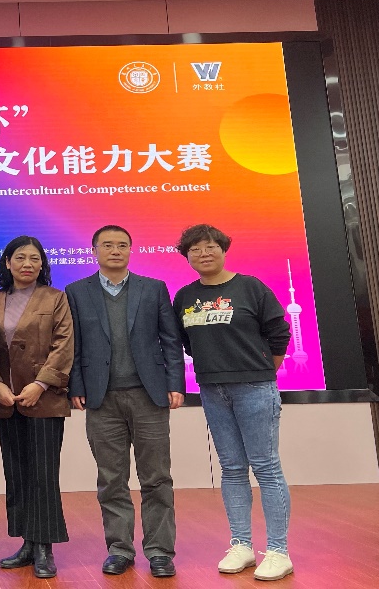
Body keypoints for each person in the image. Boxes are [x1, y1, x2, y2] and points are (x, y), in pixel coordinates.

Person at [173, 224, 293, 581]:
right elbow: (186, 342)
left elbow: (279, 333)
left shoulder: (251, 287)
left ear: (223, 250)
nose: (203, 253)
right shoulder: (185, 296)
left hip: (255, 388)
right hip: (212, 390)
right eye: (195, 249)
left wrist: (260, 371)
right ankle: (241, 544)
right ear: (187, 256)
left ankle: (278, 551)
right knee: (232, 468)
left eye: (210, 246)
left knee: (266, 467)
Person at [65, 224, 185, 579]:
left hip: (149, 396)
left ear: (131, 250)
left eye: (122, 245)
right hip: (101, 398)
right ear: (94, 251)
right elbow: (73, 344)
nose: (115, 250)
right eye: (107, 245)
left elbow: (170, 340)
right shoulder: (76, 291)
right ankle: (119, 549)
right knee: (111, 479)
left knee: (157, 477)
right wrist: (76, 385)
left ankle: (160, 552)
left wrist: (175, 383)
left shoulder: (153, 288)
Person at [0, 236, 74, 579]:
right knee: (17, 472)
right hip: (6, 399)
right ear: (7, 262)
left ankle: (44, 548)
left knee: (43, 473)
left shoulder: (56, 298)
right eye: (20, 257)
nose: (27, 264)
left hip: (45, 398)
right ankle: (26, 542)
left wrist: (40, 384)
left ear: (42, 264)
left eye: (34, 258)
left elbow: (64, 344)